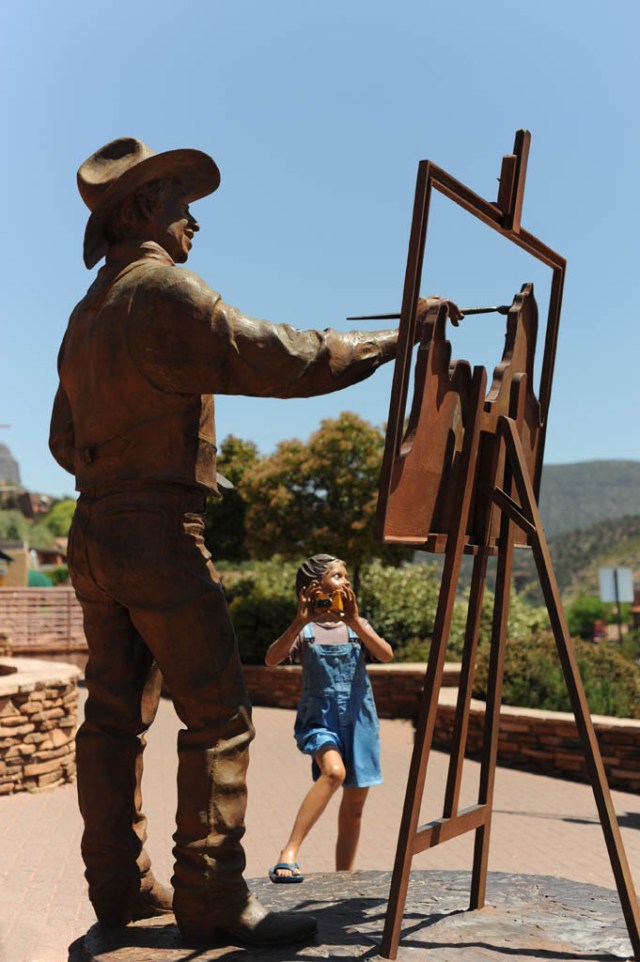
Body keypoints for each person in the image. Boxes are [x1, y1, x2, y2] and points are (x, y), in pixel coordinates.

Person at [49, 136, 462, 947]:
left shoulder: (84, 317)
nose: (192, 219)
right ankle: (210, 898)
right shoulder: (163, 294)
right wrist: (395, 339)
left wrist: (129, 455)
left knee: (110, 721)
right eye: (177, 201)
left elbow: (65, 441)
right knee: (219, 714)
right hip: (159, 531)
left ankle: (121, 892)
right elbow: (283, 358)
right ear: (138, 210)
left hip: (94, 528)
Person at [265, 554, 393, 882]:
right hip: (320, 719)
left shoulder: (356, 625)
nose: (345, 582)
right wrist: (297, 620)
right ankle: (289, 852)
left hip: (360, 721)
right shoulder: (305, 629)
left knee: (354, 807)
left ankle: (343, 879)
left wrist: (353, 621)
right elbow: (272, 659)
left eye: (346, 576)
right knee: (333, 773)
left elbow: (385, 654)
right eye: (337, 575)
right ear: (313, 585)